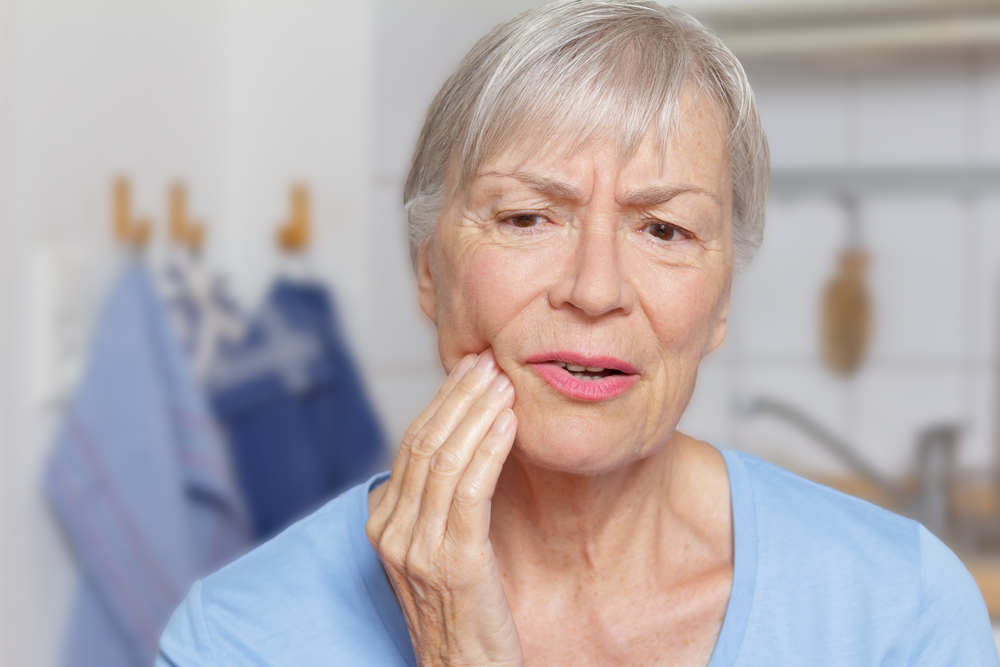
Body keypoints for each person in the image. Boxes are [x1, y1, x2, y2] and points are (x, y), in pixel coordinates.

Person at [156, 2, 999, 665]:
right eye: (527, 217)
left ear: (721, 300)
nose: (595, 290)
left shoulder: (902, 611)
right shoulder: (237, 640)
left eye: (664, 230)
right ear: (428, 270)